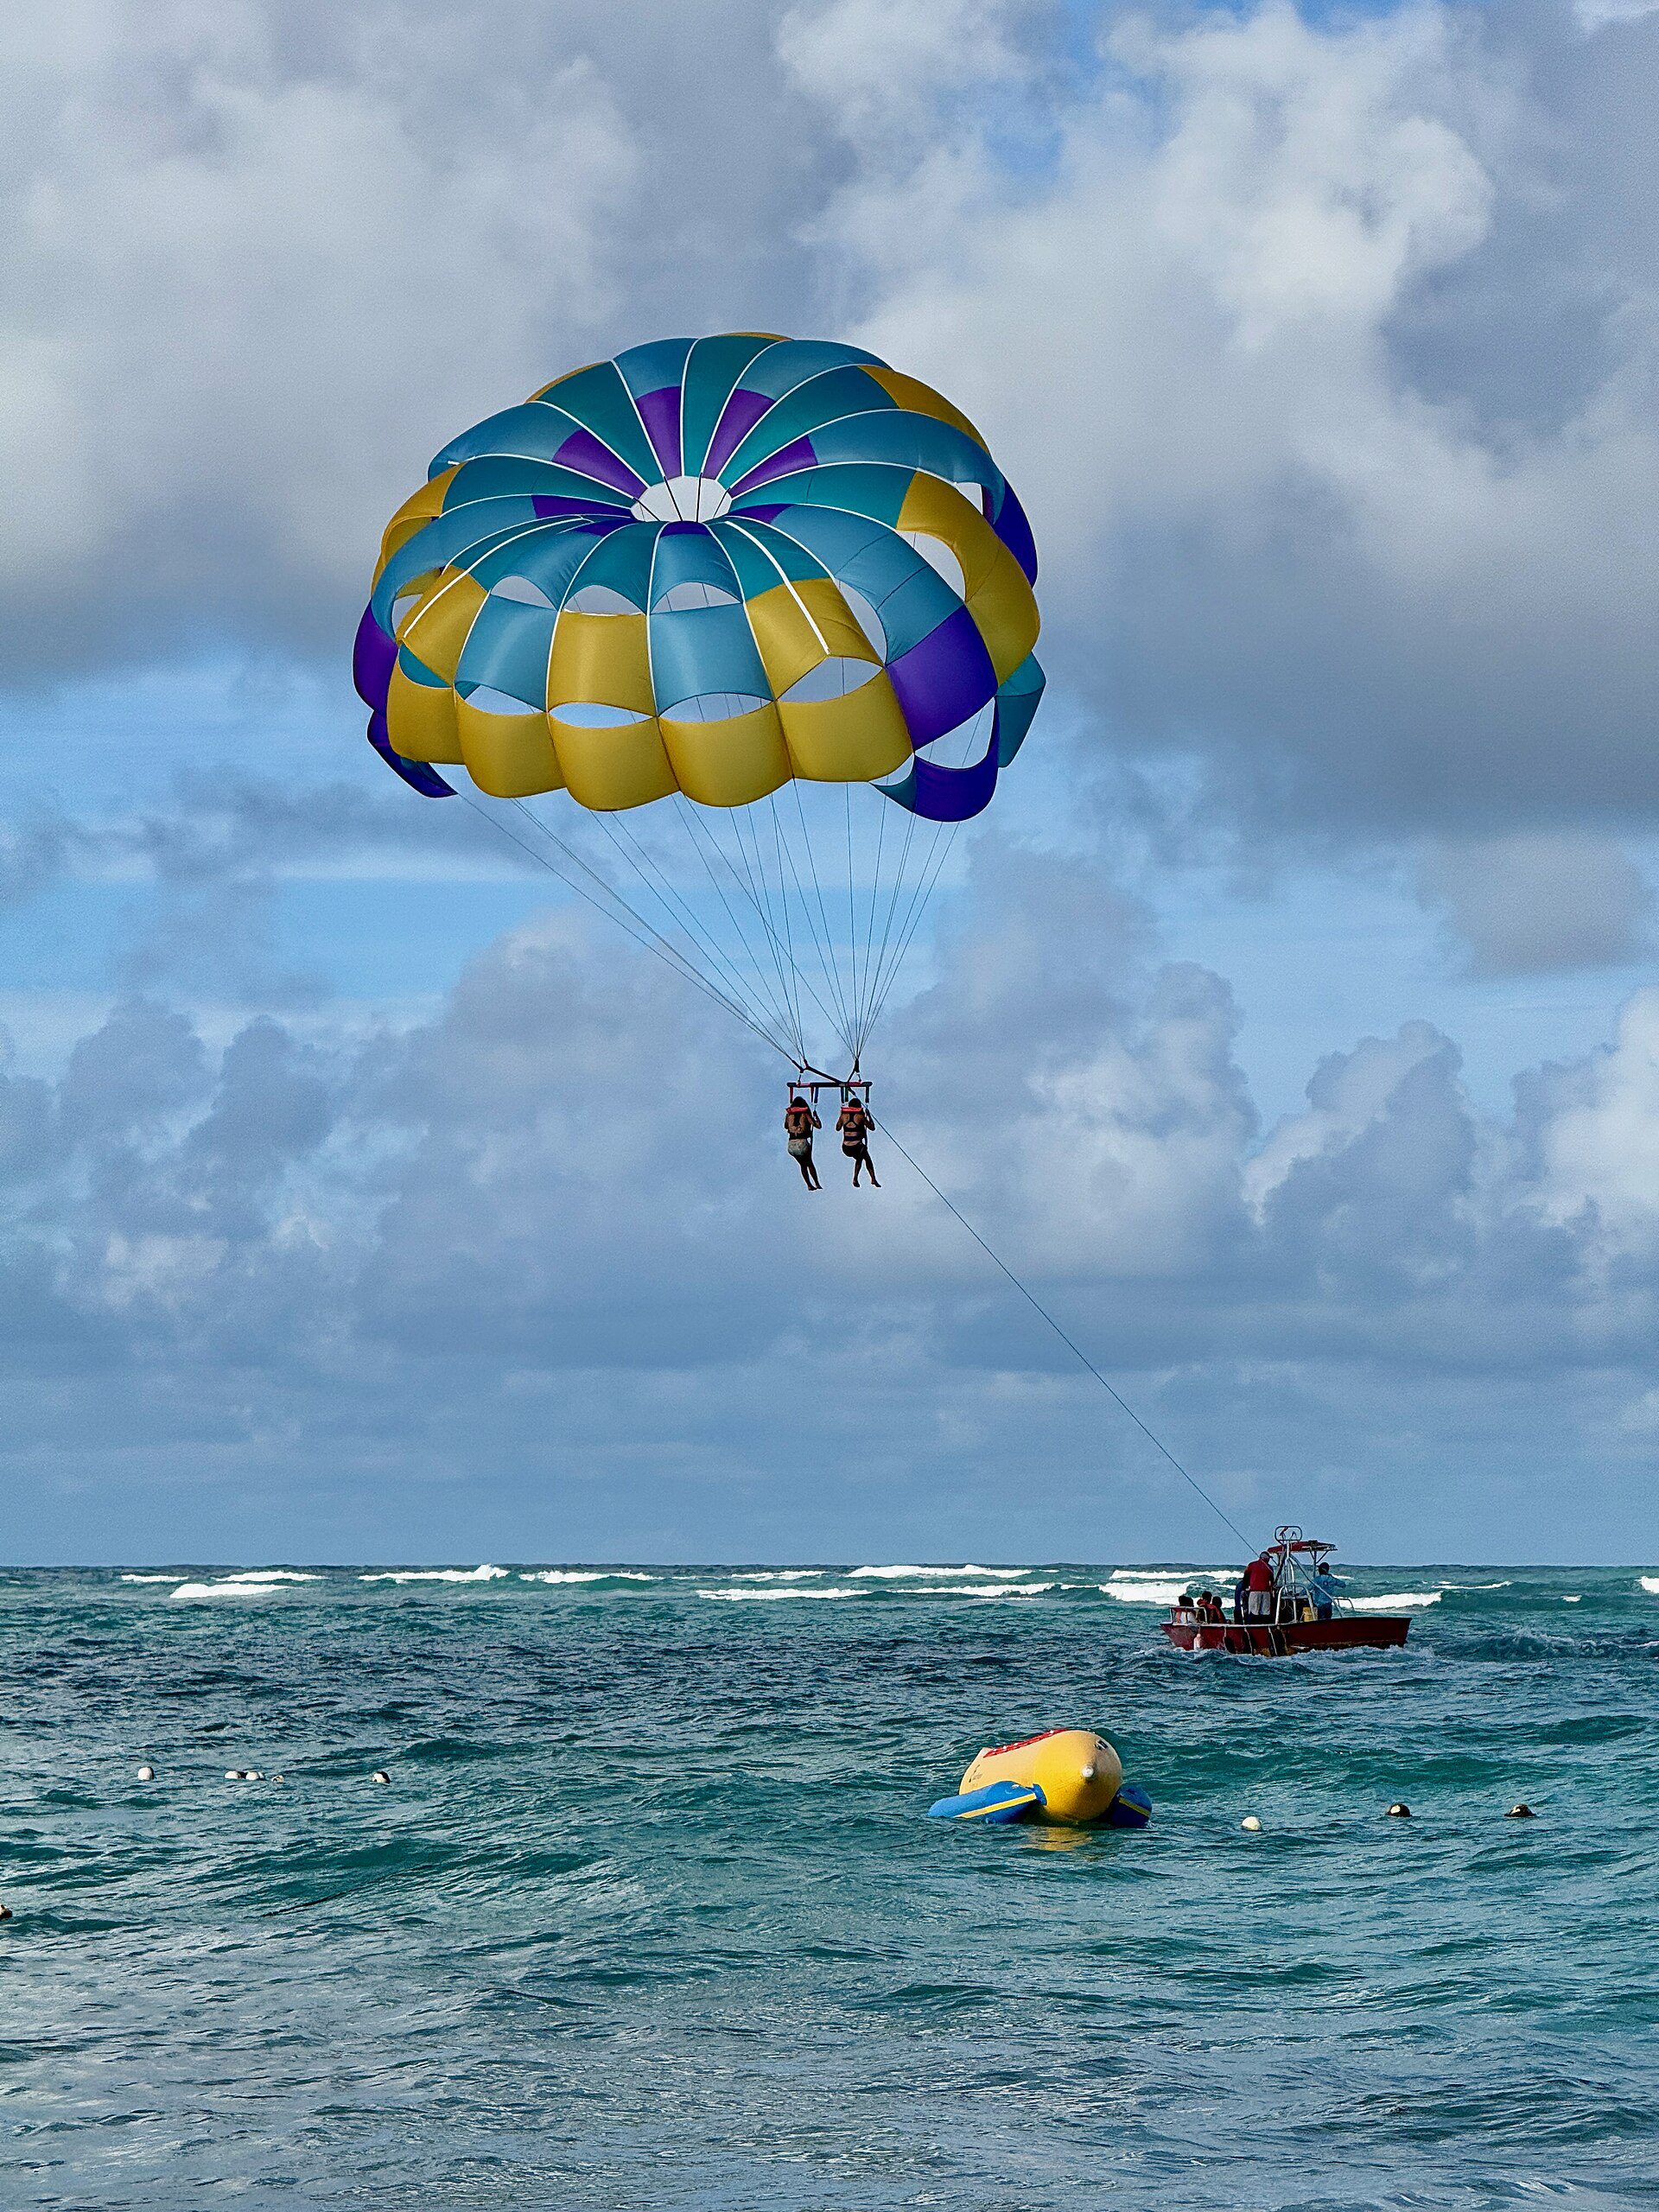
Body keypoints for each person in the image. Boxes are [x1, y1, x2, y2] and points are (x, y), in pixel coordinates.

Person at [836, 1091, 880, 1187]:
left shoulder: (843, 1116)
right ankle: (859, 1178)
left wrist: (841, 1117)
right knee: (863, 1157)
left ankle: (872, 1179)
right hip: (856, 1147)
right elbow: (872, 1128)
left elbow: (837, 1128)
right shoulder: (860, 1117)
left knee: (865, 1157)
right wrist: (869, 1116)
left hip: (846, 1148)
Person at [784, 1092, 822, 1190]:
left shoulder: (789, 1115)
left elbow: (785, 1126)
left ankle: (809, 1185)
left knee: (803, 1165)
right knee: (810, 1163)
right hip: (802, 1143)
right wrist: (816, 1117)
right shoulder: (805, 1114)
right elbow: (818, 1126)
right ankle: (817, 1183)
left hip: (791, 1145)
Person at [1243, 1552, 1276, 1621]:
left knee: (1254, 1611)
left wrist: (1245, 1587)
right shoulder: (1269, 1567)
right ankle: (1265, 1625)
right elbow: (1272, 1581)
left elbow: (1246, 1576)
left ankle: (1253, 1625)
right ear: (1266, 1559)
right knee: (1265, 1611)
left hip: (1254, 1591)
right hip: (1266, 1592)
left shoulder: (1252, 1565)